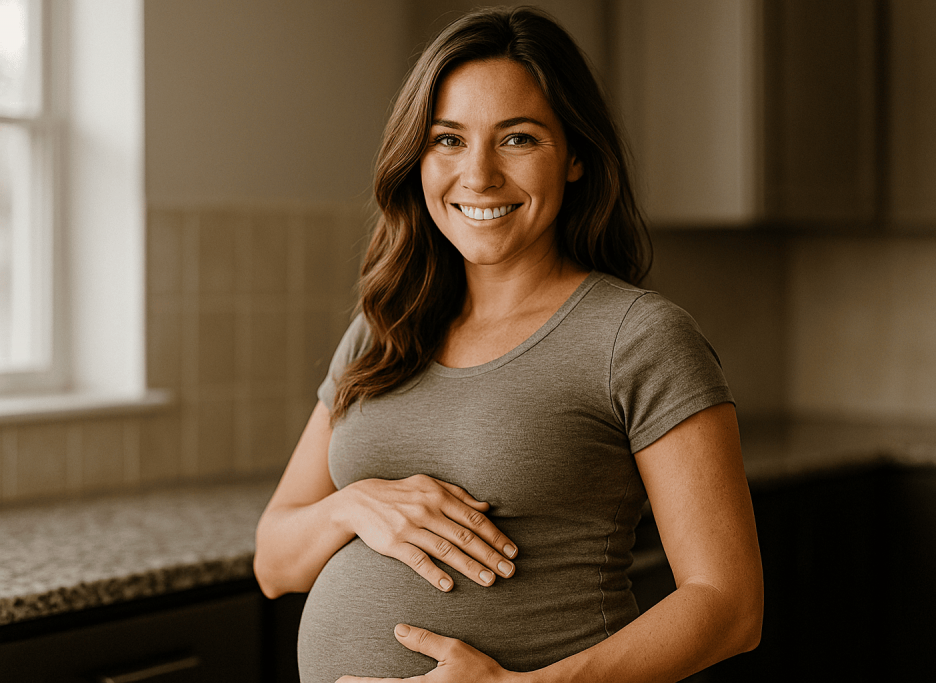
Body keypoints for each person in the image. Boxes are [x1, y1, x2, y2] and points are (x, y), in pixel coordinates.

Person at [253, 6, 763, 682]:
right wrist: (355, 504)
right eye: (448, 139)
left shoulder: (639, 337)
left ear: (575, 156)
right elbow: (274, 563)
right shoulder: (386, 326)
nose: (479, 175)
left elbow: (729, 605)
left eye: (517, 138)